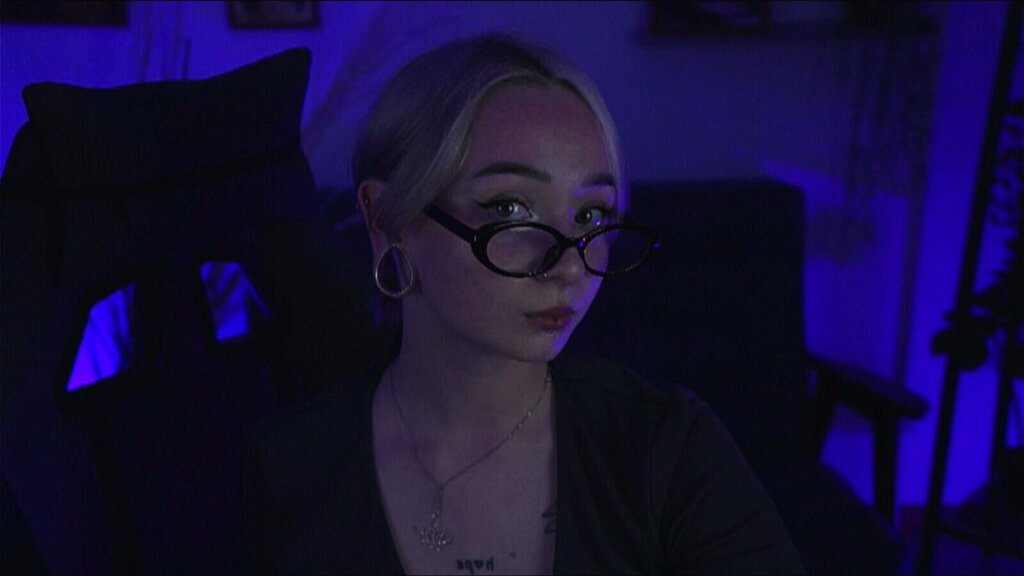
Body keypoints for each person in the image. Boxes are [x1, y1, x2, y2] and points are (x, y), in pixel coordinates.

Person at [244, 34, 805, 575]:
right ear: (387, 220)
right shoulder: (288, 468)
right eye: (509, 209)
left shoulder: (669, 446)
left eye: (590, 215)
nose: (569, 265)